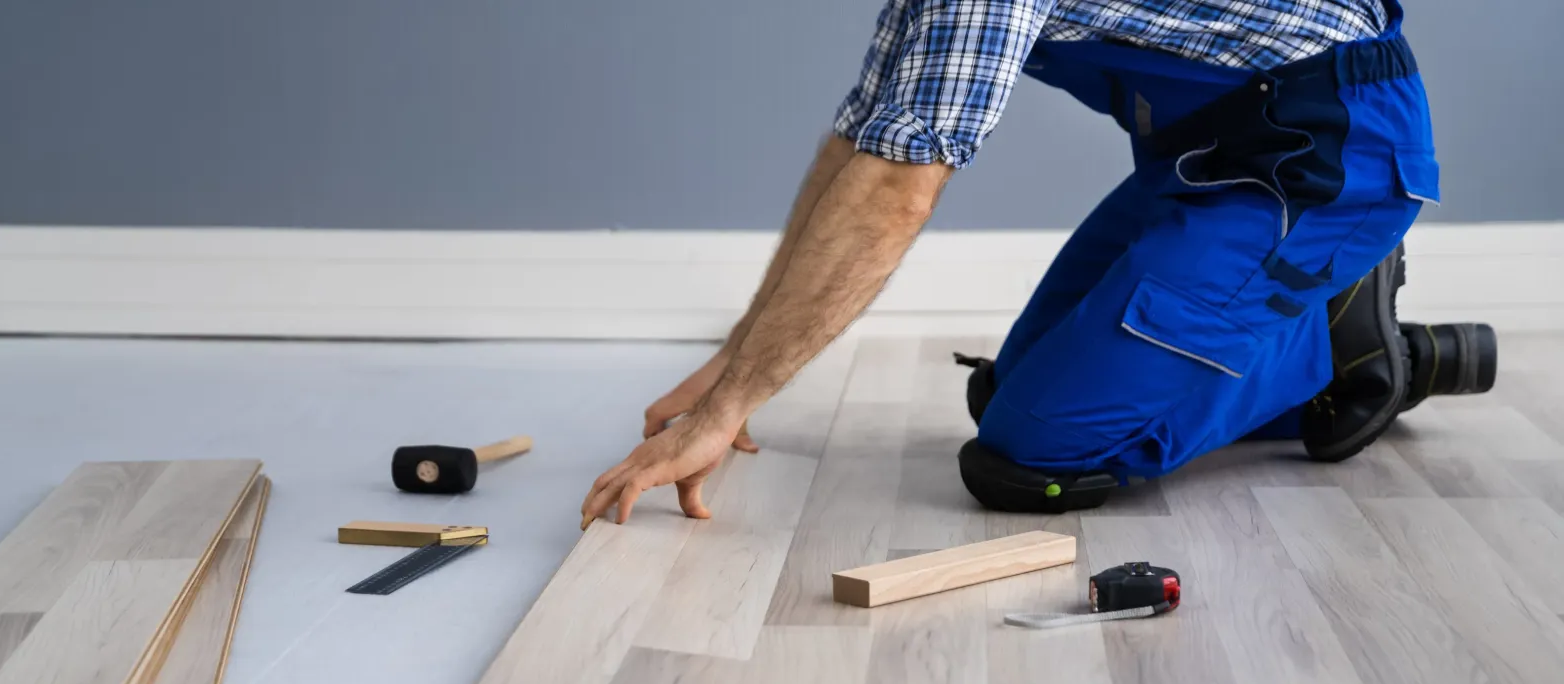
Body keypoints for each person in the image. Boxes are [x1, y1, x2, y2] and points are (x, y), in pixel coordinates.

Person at [581, 0, 1495, 527]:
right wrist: (734, 366)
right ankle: (1319, 315)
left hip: (1324, 162)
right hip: (1212, 158)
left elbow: (898, 186)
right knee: (1004, 398)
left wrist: (727, 409)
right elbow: (862, 141)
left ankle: (1341, 345)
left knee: (1034, 456)